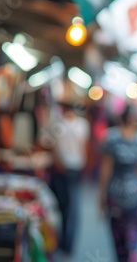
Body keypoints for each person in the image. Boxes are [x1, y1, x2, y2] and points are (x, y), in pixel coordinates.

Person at [99, 105, 137, 262]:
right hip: (134, 194)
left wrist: (101, 195)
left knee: (119, 240)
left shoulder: (112, 138)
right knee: (132, 239)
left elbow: (105, 170)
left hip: (117, 195)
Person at [50, 101, 90, 255]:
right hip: (73, 168)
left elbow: (55, 147)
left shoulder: (60, 125)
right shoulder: (81, 124)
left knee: (64, 206)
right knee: (70, 207)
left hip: (65, 168)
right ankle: (66, 242)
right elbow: (84, 147)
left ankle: (64, 241)